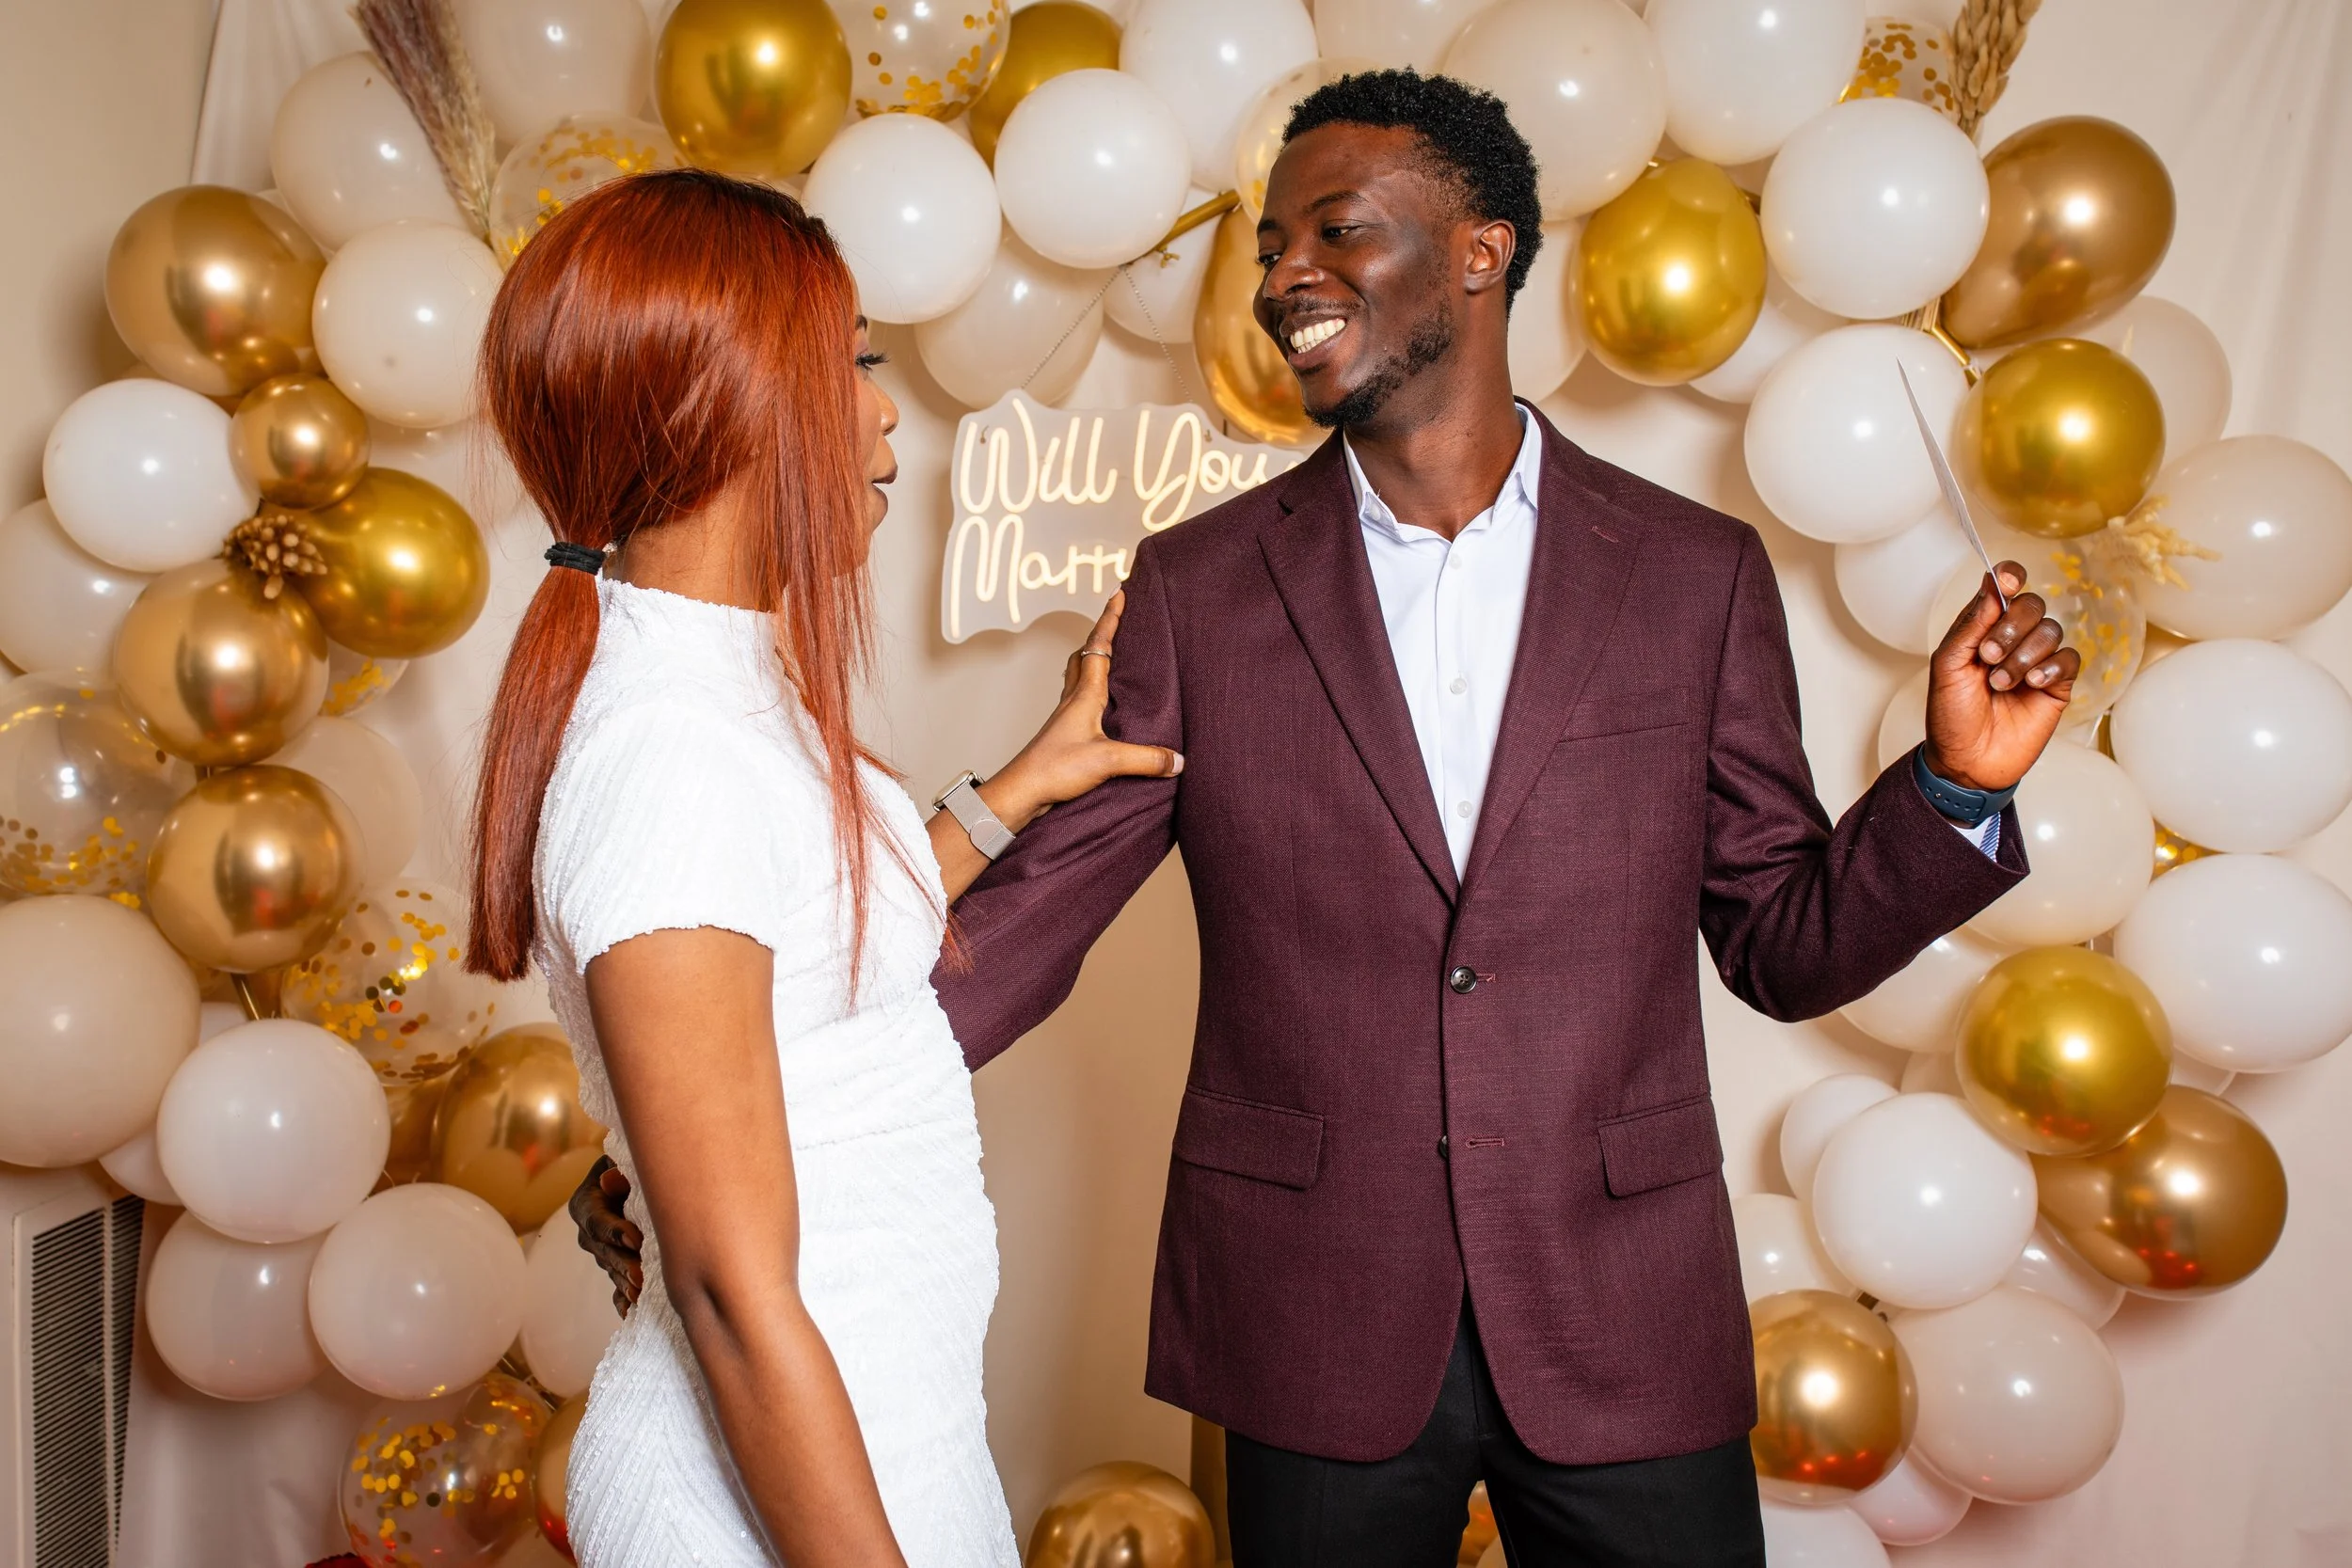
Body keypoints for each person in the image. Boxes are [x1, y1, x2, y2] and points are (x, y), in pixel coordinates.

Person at [578, 73, 2079, 1566]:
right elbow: (1019, 940)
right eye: (1269, 244)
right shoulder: (1198, 591)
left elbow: (1784, 943)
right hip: (1310, 1320)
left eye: (1335, 230)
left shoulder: (1694, 574)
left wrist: (1959, 786)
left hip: (1623, 1309)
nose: (1285, 274)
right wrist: (708, 1120)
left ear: (1481, 252)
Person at [467, 169, 1180, 1568]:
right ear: (734, 399)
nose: (889, 406)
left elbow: (803, 935)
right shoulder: (668, 752)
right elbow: (731, 1292)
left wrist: (1025, 782)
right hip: (773, 1491)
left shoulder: (719, 677)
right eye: (854, 360)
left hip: (880, 1431)